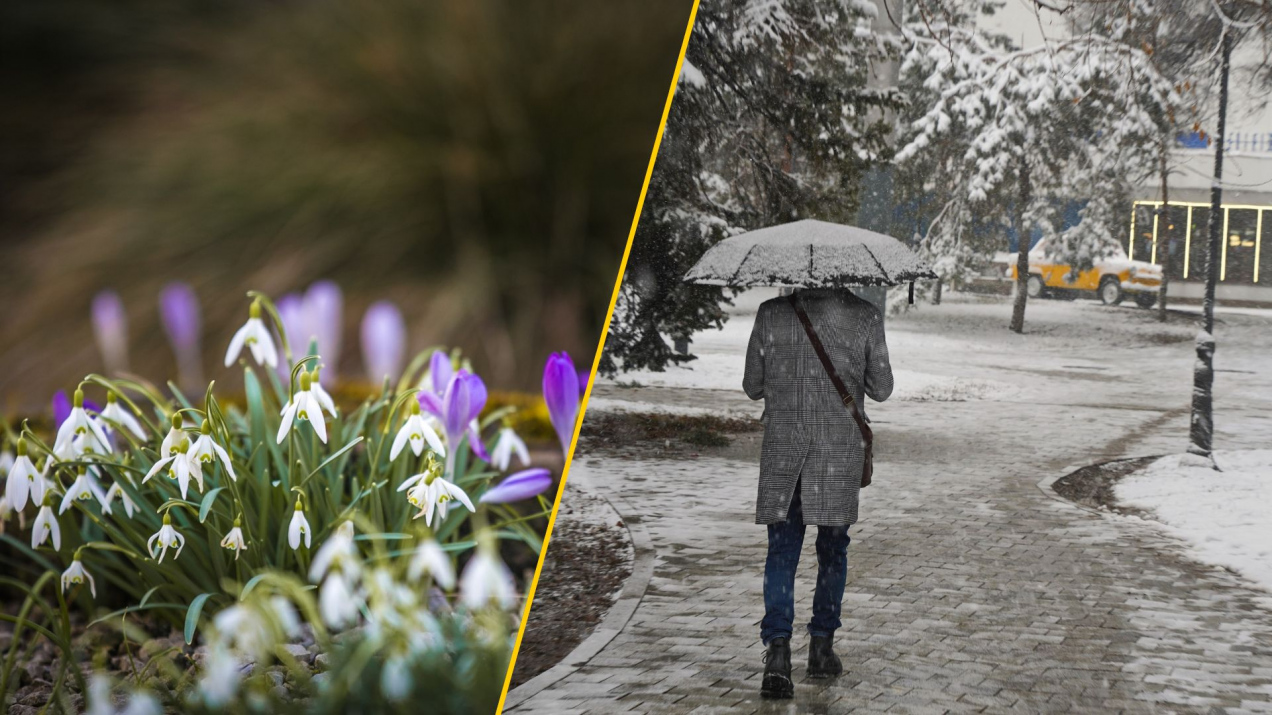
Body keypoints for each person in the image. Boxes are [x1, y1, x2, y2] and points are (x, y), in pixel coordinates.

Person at [742, 286, 893, 700]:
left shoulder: (771, 313)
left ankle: (777, 652)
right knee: (832, 551)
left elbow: (753, 386)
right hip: (837, 455)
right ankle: (822, 648)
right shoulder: (864, 315)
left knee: (782, 554)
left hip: (784, 453)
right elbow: (882, 388)